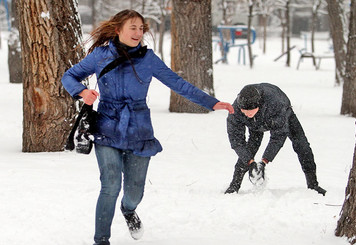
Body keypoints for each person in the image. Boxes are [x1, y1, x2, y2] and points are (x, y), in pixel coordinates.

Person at [61, 9, 234, 245]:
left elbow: (178, 84)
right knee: (110, 184)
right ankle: (101, 240)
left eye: (141, 28)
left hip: (139, 129)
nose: (138, 33)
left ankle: (128, 209)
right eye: (132, 27)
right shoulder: (100, 55)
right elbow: (69, 76)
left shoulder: (148, 59)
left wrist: (212, 103)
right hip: (107, 126)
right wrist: (81, 91)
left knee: (134, 191)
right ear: (117, 30)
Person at [224, 83, 326, 196]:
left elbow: (278, 137)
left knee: (302, 146)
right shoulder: (235, 111)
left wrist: (264, 161)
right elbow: (236, 141)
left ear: (258, 105)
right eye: (244, 112)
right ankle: (234, 185)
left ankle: (313, 184)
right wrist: (250, 162)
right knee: (249, 149)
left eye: (250, 112)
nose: (247, 114)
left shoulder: (276, 104)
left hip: (283, 115)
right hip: (256, 124)